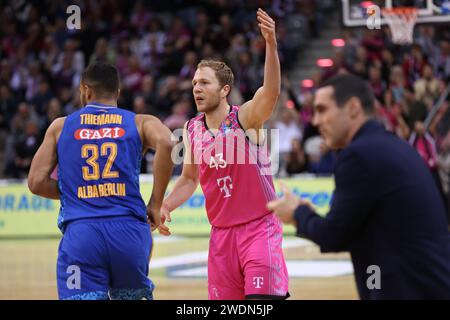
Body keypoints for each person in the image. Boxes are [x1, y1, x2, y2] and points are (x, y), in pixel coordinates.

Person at [267, 74, 450, 300]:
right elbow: (355, 230)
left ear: (353, 107)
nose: (315, 121)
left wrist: (296, 213)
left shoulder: (359, 155)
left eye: (323, 110)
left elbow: (333, 235)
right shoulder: (393, 146)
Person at [158, 9, 289, 300]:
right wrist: (166, 204)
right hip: (220, 237)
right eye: (194, 83)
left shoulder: (245, 119)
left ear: (224, 90)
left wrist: (270, 43)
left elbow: (271, 92)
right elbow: (189, 180)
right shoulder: (191, 129)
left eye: (204, 83)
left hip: (259, 229)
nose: (197, 88)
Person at [28, 62, 174, 300]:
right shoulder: (140, 122)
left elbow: (35, 182)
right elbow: (168, 143)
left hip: (82, 234)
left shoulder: (60, 126)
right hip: (130, 233)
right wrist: (156, 203)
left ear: (86, 90)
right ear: (117, 92)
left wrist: (79, 190)